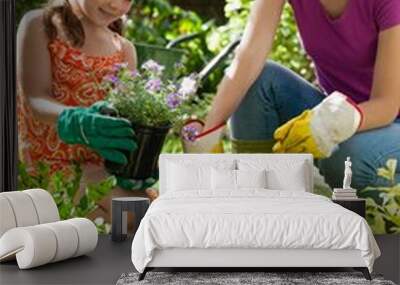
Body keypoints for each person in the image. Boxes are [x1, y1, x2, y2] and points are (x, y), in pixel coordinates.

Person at [199, 0, 400, 190]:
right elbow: (249, 57)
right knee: (257, 81)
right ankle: (259, 198)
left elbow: (387, 105)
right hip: (337, 114)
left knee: (347, 160)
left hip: (389, 125)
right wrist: (206, 137)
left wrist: (328, 125)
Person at [17, 0, 158, 221]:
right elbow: (35, 98)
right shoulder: (41, 25)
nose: (115, 5)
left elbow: (127, 119)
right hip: (45, 169)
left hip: (100, 169)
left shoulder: (124, 49)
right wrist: (75, 120)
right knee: (132, 214)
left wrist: (139, 162)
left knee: (155, 209)